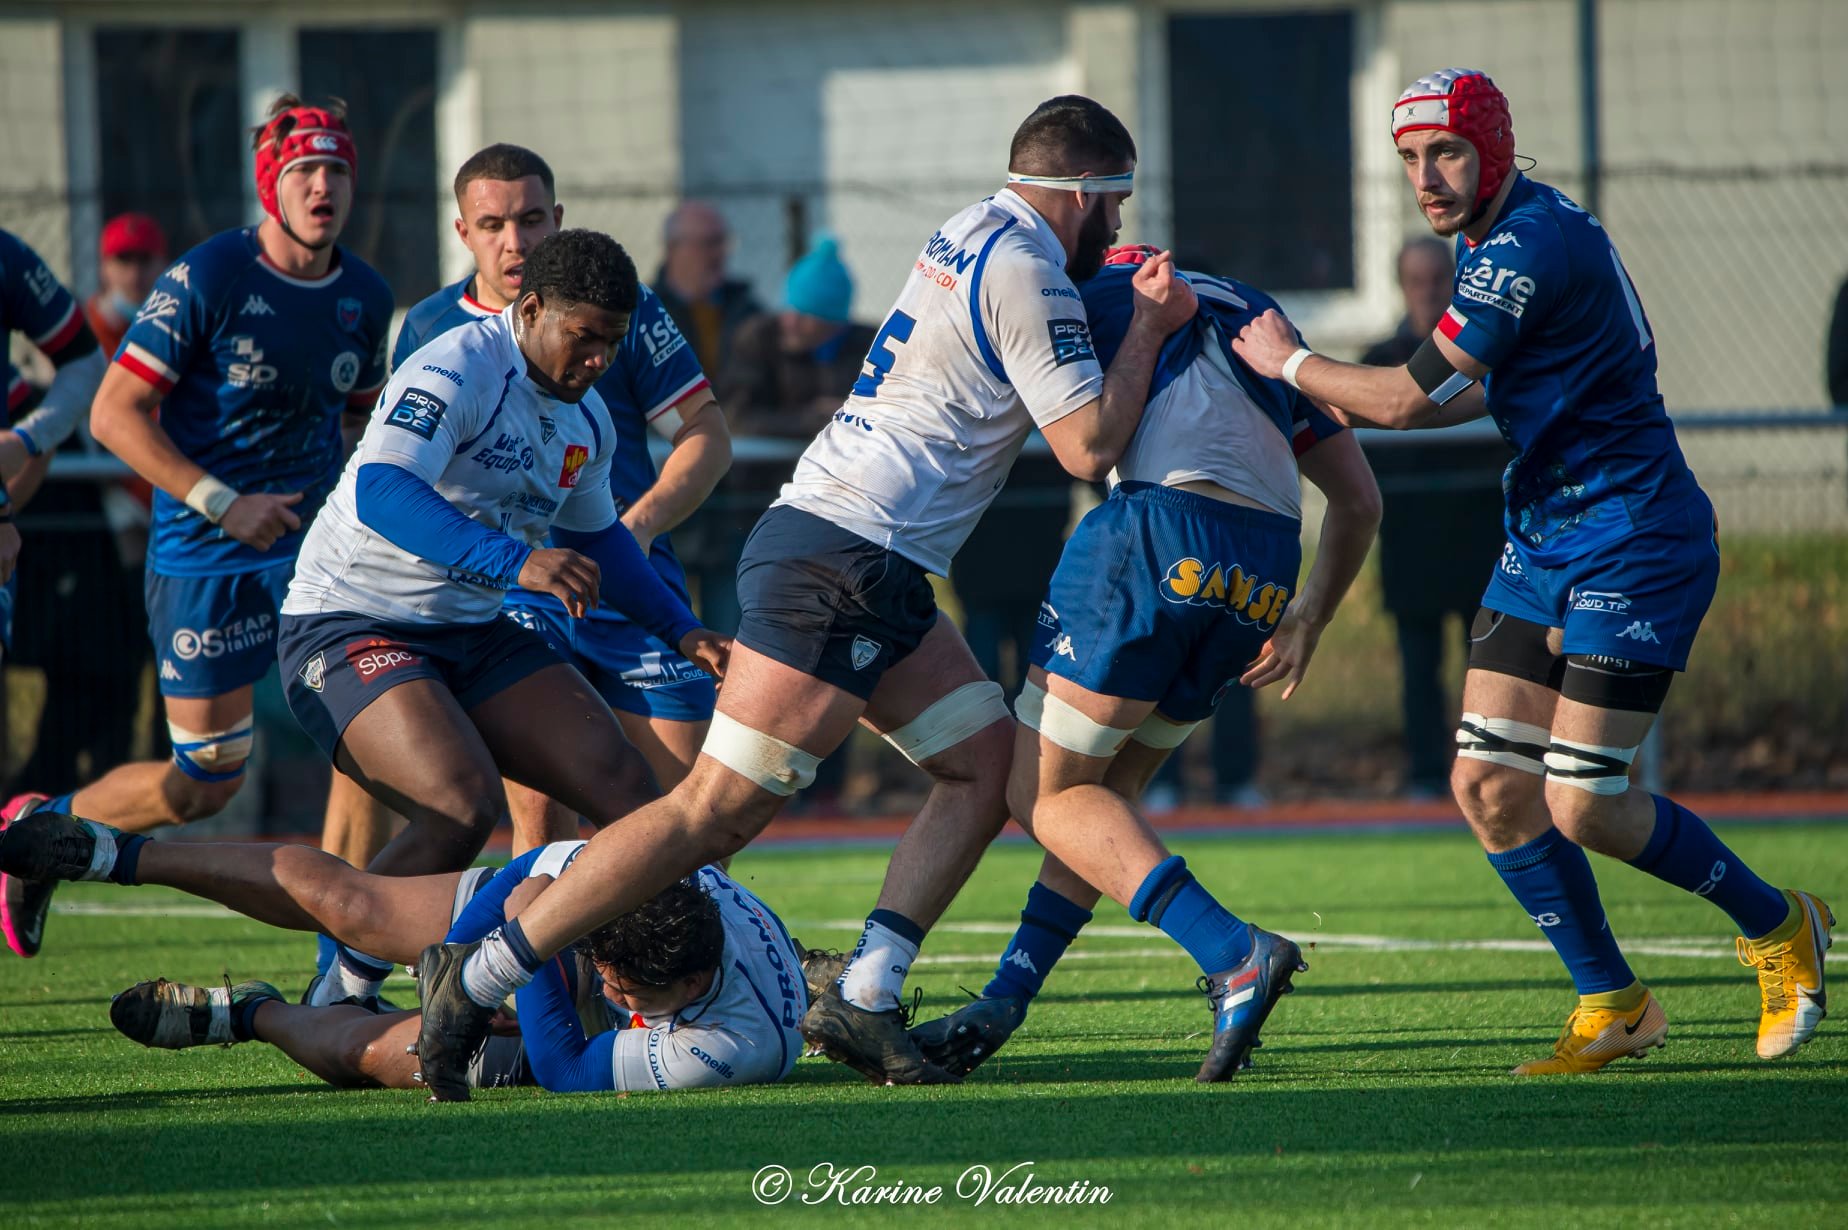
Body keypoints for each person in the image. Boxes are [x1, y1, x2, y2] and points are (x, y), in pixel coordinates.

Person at [408, 94, 1198, 1101]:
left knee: (984, 763)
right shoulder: (1030, 264)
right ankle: (478, 980)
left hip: (868, 555)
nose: (1121, 227)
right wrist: (1151, 328)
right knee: (708, 817)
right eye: (1116, 203)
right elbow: (1087, 444)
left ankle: (864, 994)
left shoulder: (973, 229)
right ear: (1080, 193)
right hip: (845, 554)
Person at [1231, 68, 1832, 1072]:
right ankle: (1615, 1004)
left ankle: (1780, 925)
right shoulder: (1497, 242)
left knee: (1583, 799)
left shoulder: (1524, 247)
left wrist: (1291, 364)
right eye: (1412, 159)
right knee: (1487, 787)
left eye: (1449, 153)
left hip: (1633, 538)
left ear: (1496, 150)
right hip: (1542, 539)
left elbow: (1414, 402)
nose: (1428, 176)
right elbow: (1484, 394)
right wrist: (1350, 393)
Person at [910, 246, 1380, 1081]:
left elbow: (1047, 422)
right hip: (1264, 566)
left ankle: (1235, 953)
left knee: (1039, 792)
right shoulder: (1257, 310)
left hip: (1158, 529)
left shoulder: (1097, 287)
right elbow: (1358, 498)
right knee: (1102, 799)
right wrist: (1310, 616)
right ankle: (1009, 994)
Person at [275, 228, 728, 1006]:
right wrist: (517, 562)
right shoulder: (456, 367)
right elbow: (382, 490)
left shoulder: (588, 420)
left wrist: (682, 629)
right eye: (583, 338)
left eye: (612, 344)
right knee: (460, 804)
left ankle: (647, 984)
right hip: (349, 620)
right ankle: (342, 989)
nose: (597, 362)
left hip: (470, 631)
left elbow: (600, 542)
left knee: (626, 785)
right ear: (531, 308)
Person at [395, 145, 731, 855]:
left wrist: (635, 529)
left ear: (559, 218)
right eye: (492, 225)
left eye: (531, 218)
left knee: (679, 822)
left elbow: (707, 434)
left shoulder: (624, 307)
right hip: (515, 593)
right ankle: (541, 967)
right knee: (543, 819)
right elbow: (397, 483)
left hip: (632, 585)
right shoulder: (434, 332)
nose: (514, 241)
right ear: (462, 233)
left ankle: (685, 965)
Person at [0, 813, 803, 1093]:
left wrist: (518, 985)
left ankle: (246, 1013)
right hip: (543, 930)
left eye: (630, 993)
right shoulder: (652, 876)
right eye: (610, 976)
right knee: (360, 905)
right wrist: (461, 973)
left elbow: (565, 1070)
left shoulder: (728, 1048)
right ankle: (114, 854)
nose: (617, 993)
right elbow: (533, 868)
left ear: (693, 982)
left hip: (568, 991)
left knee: (404, 1055)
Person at [1360, 237, 1507, 797]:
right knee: (1419, 672)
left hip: (1479, 543)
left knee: (1489, 671)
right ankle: (1424, 775)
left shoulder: (1484, 354)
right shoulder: (1380, 362)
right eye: (1417, 282)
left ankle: (1491, 776)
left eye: (1438, 280)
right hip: (1411, 544)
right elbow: (1370, 454)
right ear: (1402, 287)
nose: (1428, 292)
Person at [0, 227, 110, 958]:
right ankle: (22, 837)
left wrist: (29, 440)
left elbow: (83, 363)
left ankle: (25, 838)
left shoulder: (8, 258)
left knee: (205, 773)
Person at [718, 235, 876, 439]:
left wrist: (849, 414)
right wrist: (815, 420)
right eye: (788, 308)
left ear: (834, 323)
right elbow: (736, 417)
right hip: (768, 469)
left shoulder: (869, 348)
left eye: (805, 315)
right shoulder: (760, 339)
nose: (790, 322)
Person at [652, 201, 764, 376]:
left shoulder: (747, 311)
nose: (719, 253)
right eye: (708, 243)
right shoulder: (645, 315)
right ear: (673, 248)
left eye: (722, 242)